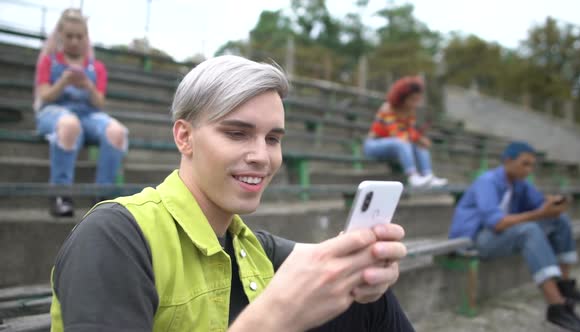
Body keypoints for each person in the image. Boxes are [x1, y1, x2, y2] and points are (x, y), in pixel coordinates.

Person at [49, 55, 414, 331]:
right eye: (237, 133)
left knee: (371, 300)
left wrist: (367, 264)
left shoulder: (248, 243)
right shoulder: (115, 234)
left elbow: (323, 263)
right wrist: (272, 319)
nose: (261, 156)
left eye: (273, 138)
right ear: (184, 136)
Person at [449, 141, 580, 331]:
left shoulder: (519, 183)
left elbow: (539, 203)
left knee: (560, 220)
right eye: (525, 164)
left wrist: (554, 203)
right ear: (508, 160)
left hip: (499, 235)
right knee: (529, 230)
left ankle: (565, 287)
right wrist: (541, 213)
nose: (529, 169)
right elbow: (497, 223)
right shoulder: (487, 181)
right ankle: (557, 306)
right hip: (474, 239)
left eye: (532, 165)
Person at [34, 8, 128, 217]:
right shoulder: (49, 61)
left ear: (86, 37)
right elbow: (45, 95)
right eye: (69, 36)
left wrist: (87, 85)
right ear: (60, 35)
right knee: (69, 125)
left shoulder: (97, 67)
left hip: (88, 114)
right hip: (54, 111)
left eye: (79, 36)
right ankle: (61, 194)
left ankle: (103, 195)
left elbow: (100, 102)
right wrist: (62, 82)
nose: (75, 41)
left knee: (117, 132)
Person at [363, 76, 447, 188]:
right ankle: (412, 176)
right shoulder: (388, 108)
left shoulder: (410, 111)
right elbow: (396, 133)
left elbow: (410, 131)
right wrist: (416, 138)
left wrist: (420, 140)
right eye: (412, 99)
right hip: (373, 145)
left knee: (419, 145)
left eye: (417, 100)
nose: (415, 103)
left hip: (397, 144)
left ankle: (428, 175)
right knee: (401, 142)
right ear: (402, 97)